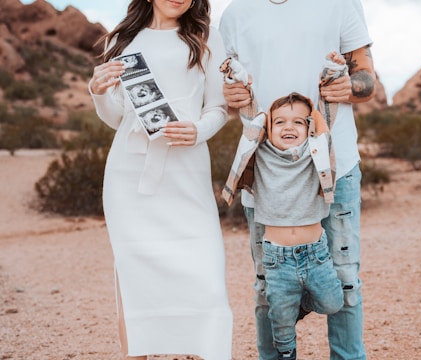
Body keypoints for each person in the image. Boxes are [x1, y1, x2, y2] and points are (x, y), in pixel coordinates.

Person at [219, 1, 376, 359]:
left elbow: (367, 79)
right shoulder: (234, 15)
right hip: (265, 172)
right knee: (266, 290)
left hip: (337, 167)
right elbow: (229, 92)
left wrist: (351, 85)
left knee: (345, 281)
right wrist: (229, 96)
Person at [88, 1, 232, 359]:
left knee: (207, 278)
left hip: (187, 172)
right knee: (136, 278)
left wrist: (198, 130)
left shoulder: (207, 37)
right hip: (130, 175)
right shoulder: (121, 40)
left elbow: (220, 108)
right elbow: (116, 117)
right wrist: (98, 91)